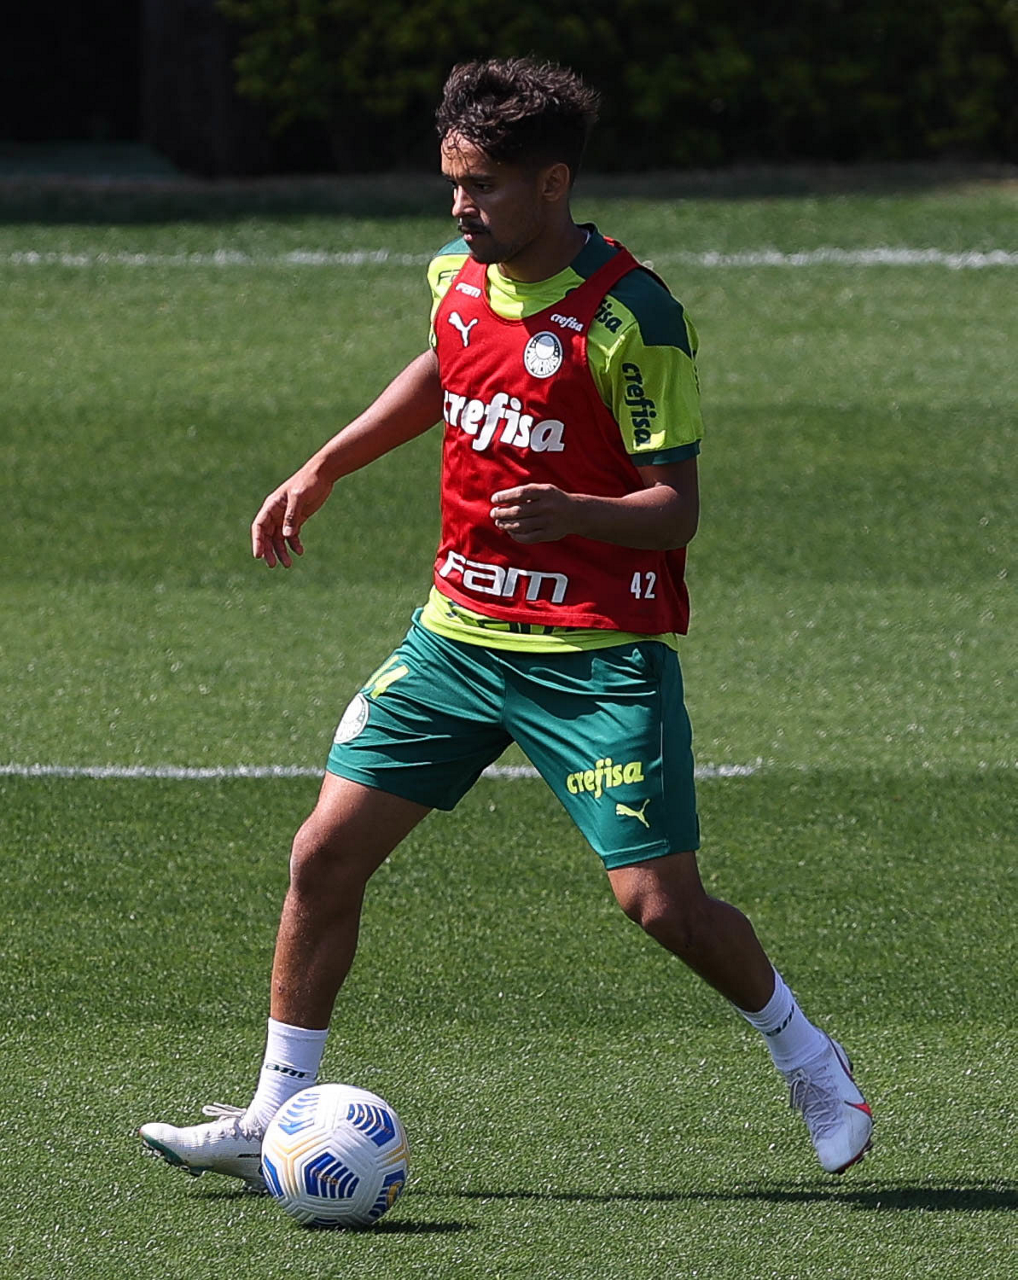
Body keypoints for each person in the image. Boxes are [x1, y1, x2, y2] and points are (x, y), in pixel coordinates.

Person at [140, 57, 871, 1188]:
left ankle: (811, 1060)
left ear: (551, 183)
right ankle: (271, 1113)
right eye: (452, 182)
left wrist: (574, 510)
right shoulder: (456, 273)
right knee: (324, 853)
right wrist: (326, 465)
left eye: (480, 185)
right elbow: (446, 364)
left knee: (660, 904)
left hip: (594, 655)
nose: (458, 206)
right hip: (457, 638)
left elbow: (676, 506)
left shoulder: (633, 316)